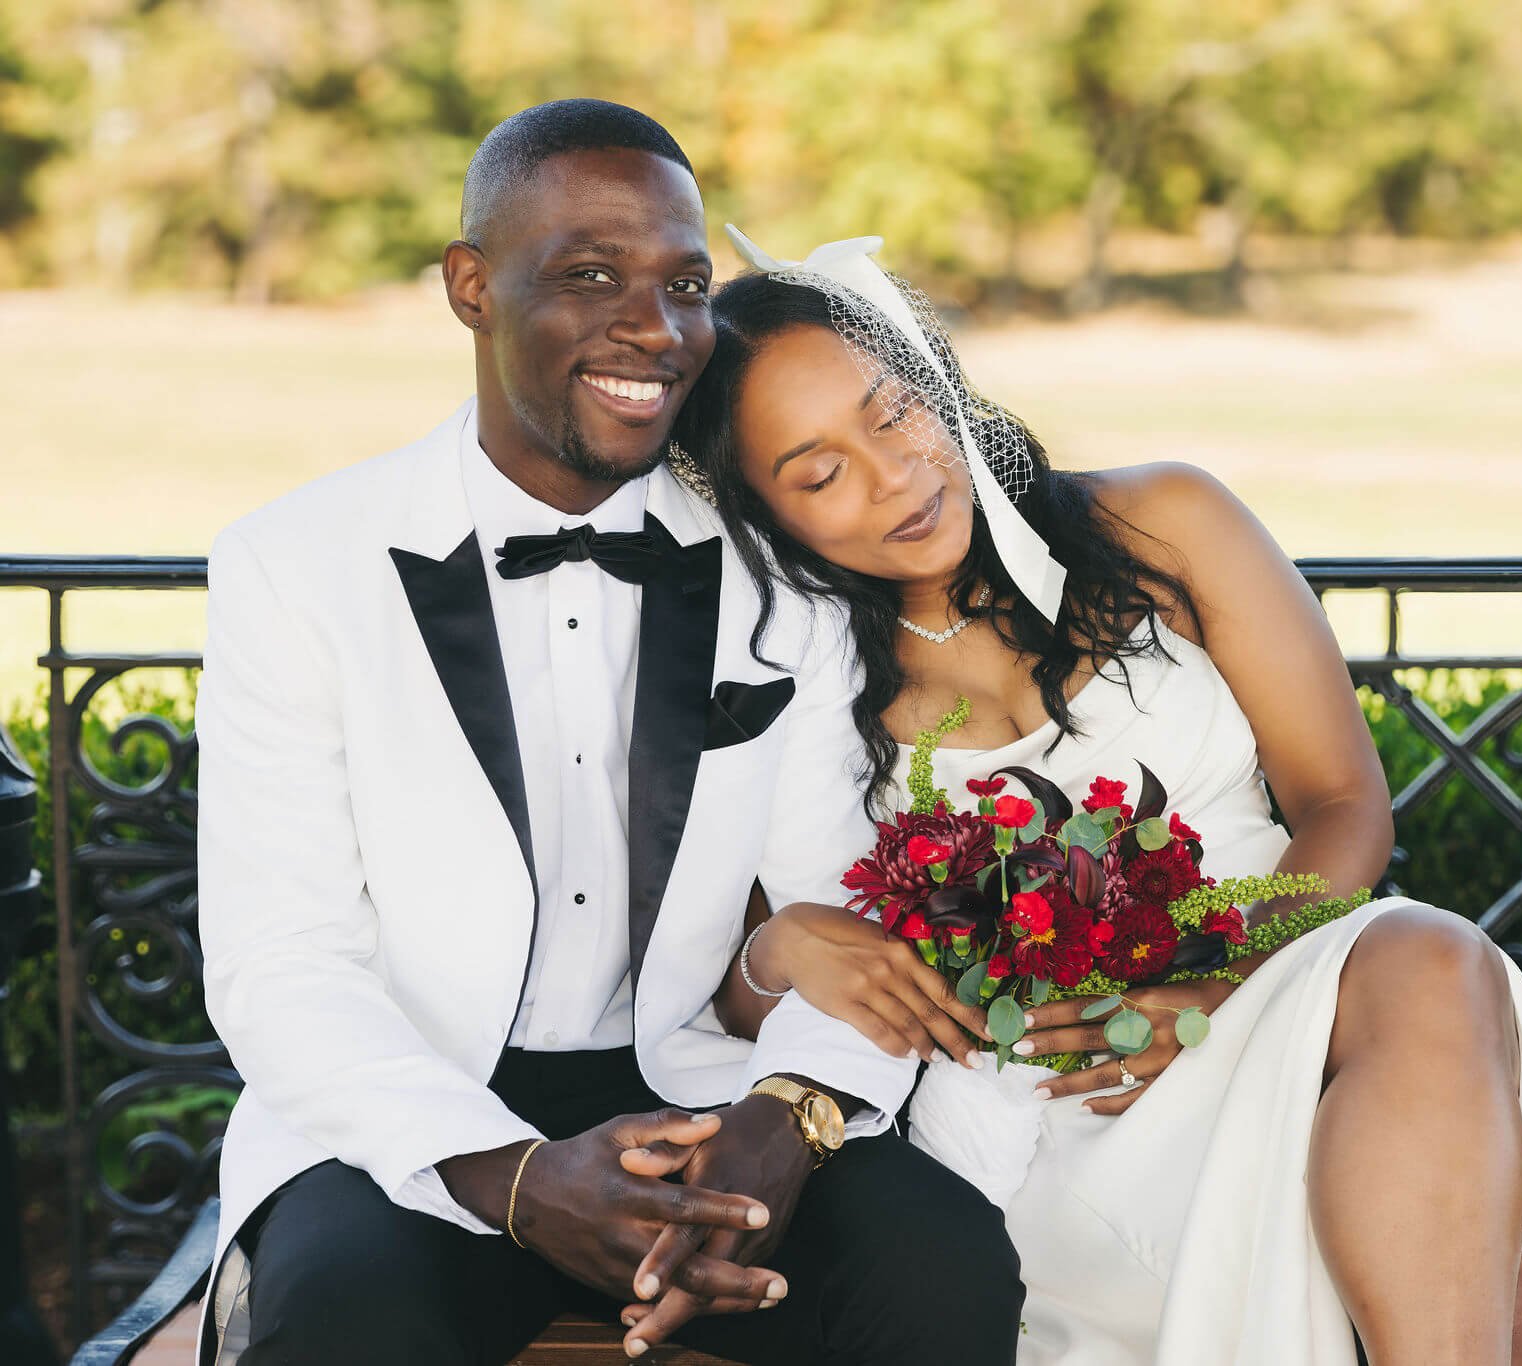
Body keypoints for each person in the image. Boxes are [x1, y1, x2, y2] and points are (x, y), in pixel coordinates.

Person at [635, 232, 1522, 1365]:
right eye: (819, 473)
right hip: (1062, 1102)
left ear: (935, 377)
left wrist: (1215, 978)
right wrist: (781, 945)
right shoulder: (797, 680)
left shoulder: (1161, 523)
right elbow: (746, 986)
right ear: (764, 515)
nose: (894, 476)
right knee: (1499, 1230)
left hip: (1287, 979)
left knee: (1428, 958)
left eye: (894, 413)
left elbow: (1343, 802)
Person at [196, 102, 1020, 1366]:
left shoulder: (779, 581)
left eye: (684, 285)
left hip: (700, 1095)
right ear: (471, 286)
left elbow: (846, 910)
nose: (655, 328)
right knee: (346, 1322)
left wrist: (788, 1114)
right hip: (409, 1116)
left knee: (939, 1265)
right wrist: (516, 1176)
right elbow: (282, 958)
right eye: (590, 276)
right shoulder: (294, 565)